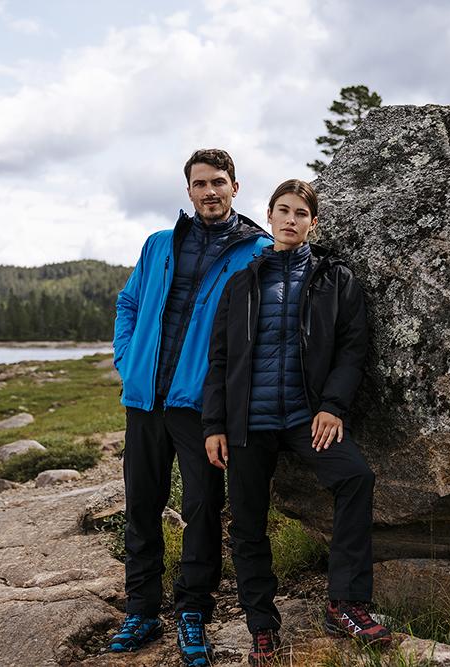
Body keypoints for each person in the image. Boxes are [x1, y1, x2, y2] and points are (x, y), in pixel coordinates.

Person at [202, 179, 391, 665]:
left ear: (312, 222)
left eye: (300, 213)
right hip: (248, 423)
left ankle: (344, 603)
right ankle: (261, 625)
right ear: (268, 217)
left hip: (306, 419)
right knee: (247, 524)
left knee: (355, 478)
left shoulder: (335, 280)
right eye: (282, 211)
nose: (290, 220)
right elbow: (219, 359)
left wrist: (332, 406)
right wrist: (213, 424)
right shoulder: (241, 282)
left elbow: (353, 350)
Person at [108, 149, 273, 666]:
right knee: (141, 505)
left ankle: (193, 612)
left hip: (201, 406)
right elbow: (129, 303)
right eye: (200, 184)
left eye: (218, 182)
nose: (209, 192)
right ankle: (140, 610)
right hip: (144, 398)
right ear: (188, 191)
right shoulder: (158, 245)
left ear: (236, 187)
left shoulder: (257, 252)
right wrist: (127, 358)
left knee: (202, 509)